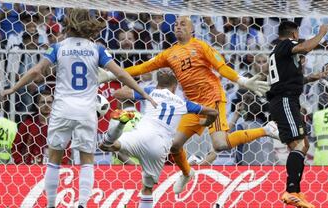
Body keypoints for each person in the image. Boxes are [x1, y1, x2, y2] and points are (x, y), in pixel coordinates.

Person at [1, 8, 156, 208]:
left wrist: (14, 88)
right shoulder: (97, 49)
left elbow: (36, 71)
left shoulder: (59, 48)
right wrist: (144, 93)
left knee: (54, 157)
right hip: (86, 111)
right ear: (89, 26)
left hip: (62, 109)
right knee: (87, 160)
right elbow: (121, 74)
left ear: (69, 24)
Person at [100, 16, 278, 195]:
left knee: (220, 144)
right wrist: (110, 75)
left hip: (212, 99)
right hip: (193, 104)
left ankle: (266, 130)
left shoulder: (201, 46)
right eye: (176, 24)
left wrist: (243, 81)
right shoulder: (169, 54)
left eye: (183, 24)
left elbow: (221, 67)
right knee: (175, 145)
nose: (178, 27)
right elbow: (143, 67)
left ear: (192, 29)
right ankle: (187, 173)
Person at [99, 69, 218, 208]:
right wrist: (204, 122)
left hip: (140, 135)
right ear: (175, 86)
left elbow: (119, 93)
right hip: (159, 147)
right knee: (147, 189)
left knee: (110, 145)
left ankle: (115, 132)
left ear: (157, 83)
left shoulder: (150, 91)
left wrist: (135, 92)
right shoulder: (183, 103)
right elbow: (213, 113)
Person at [267, 21, 328, 208]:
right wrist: (321, 33)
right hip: (285, 100)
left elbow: (288, 75)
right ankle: (291, 191)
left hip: (285, 101)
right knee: (300, 145)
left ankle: (295, 191)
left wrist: (311, 78)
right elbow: (305, 47)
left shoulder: (278, 52)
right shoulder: (285, 44)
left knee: (302, 144)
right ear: (294, 34)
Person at [12, 90, 72, 164]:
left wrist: (61, 164)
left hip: (53, 167)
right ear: (37, 105)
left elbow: (67, 148)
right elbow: (16, 147)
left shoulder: (61, 126)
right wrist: (21, 163)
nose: (46, 105)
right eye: (43, 102)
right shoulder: (27, 125)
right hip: (30, 168)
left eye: (49, 102)